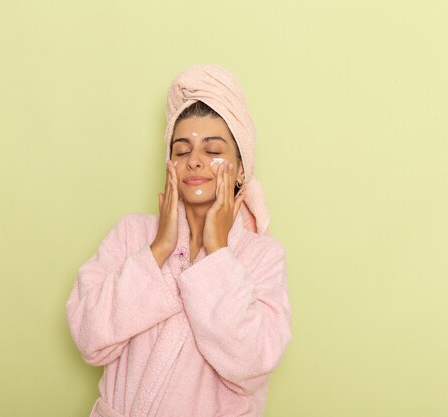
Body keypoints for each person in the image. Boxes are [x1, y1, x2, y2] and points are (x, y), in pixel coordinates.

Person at [66, 64, 291, 417]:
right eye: (182, 151)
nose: (195, 161)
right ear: (169, 163)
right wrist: (158, 251)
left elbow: (252, 364)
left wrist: (217, 254)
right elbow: (89, 338)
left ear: (241, 167)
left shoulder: (262, 256)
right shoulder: (131, 235)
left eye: (213, 150)